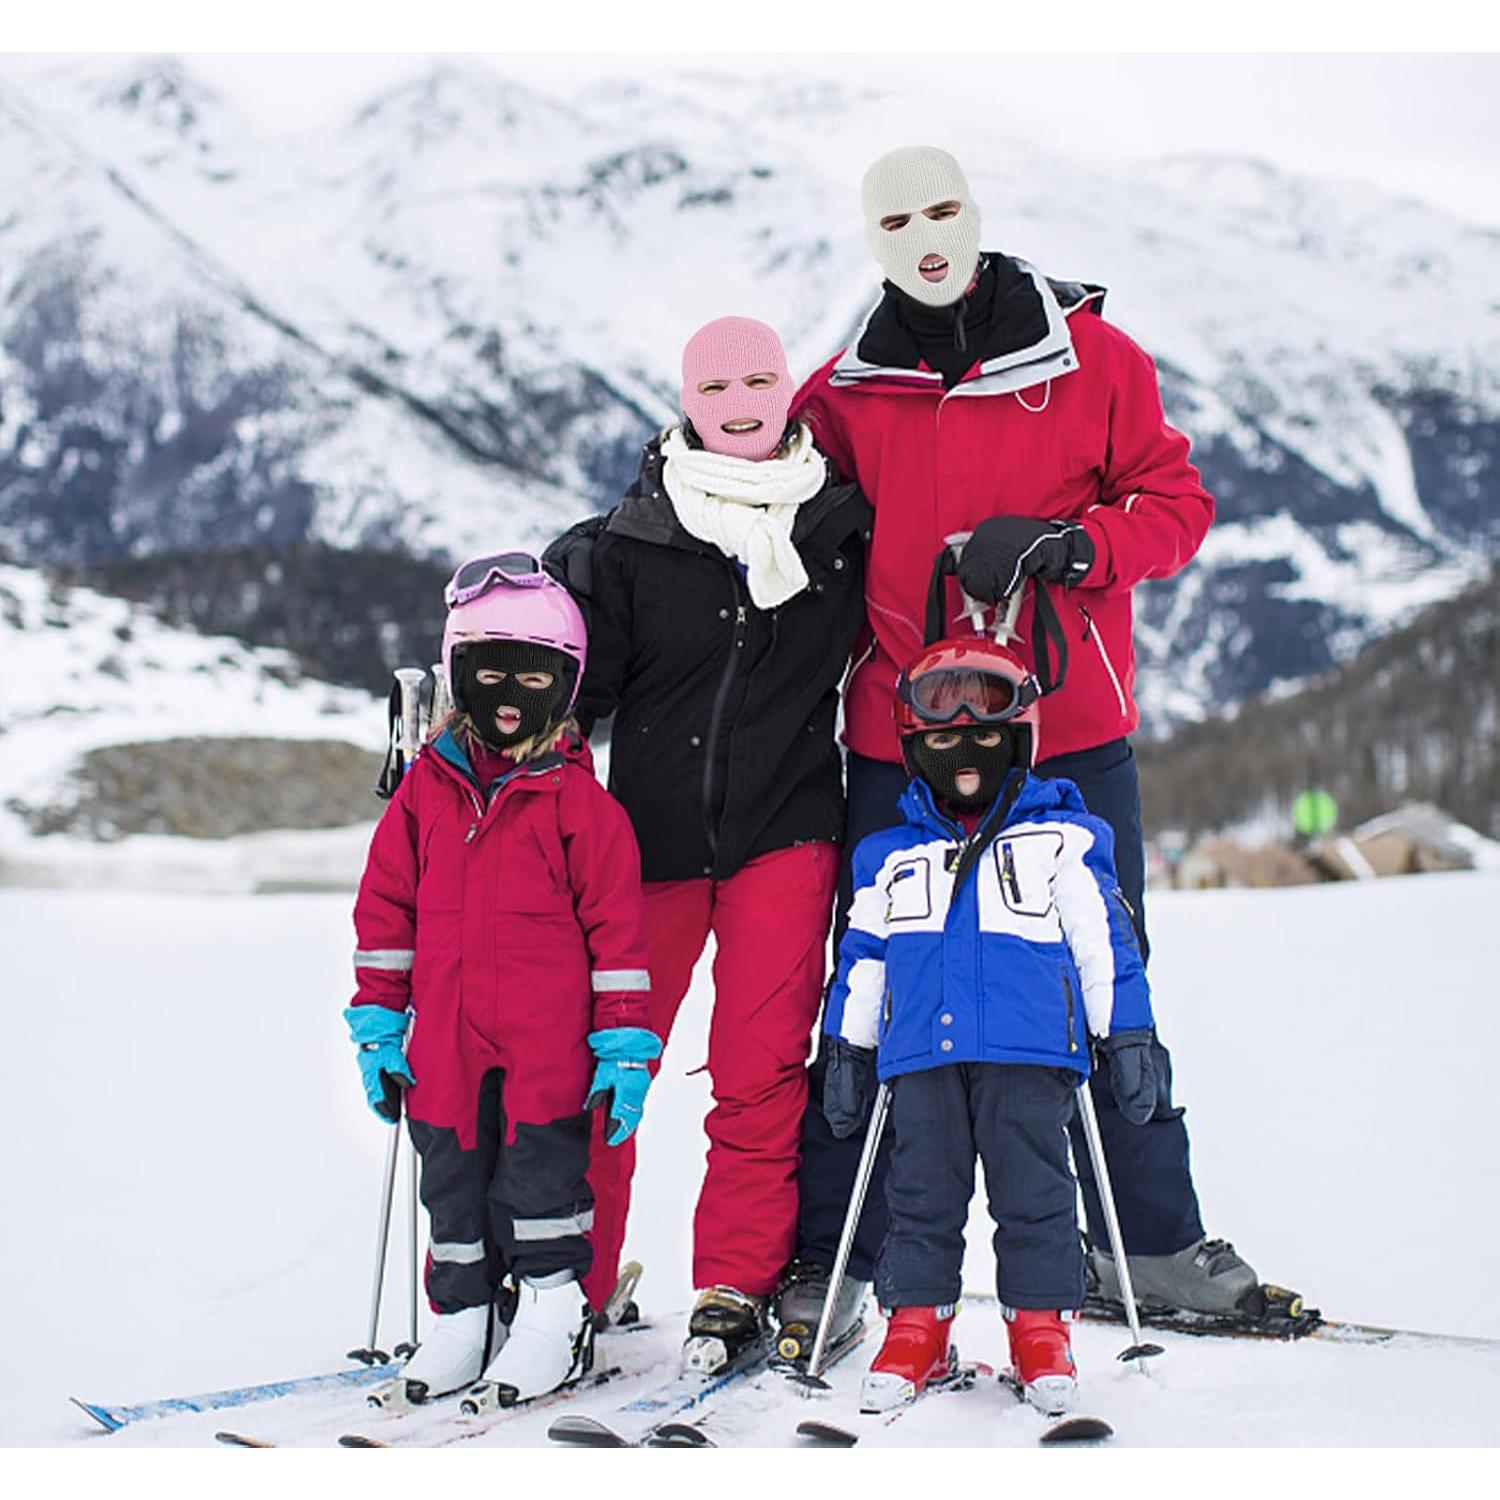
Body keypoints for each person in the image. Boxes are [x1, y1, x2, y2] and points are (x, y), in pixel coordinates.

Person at [778, 143, 1286, 1349]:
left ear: (981, 212)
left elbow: (1177, 507)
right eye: (895, 218)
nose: (926, 235)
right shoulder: (837, 394)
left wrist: (1073, 545)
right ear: (872, 239)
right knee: (880, 986)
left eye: (944, 207)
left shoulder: (1094, 360)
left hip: (1068, 732)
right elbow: (771, 515)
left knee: (1102, 978)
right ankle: (834, 1254)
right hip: (899, 742)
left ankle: (1147, 1244)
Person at [545, 315, 871, 1373]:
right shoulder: (628, 542)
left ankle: (734, 1281)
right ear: (687, 399)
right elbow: (568, 702)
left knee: (760, 1072)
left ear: (789, 388)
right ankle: (574, 1283)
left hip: (787, 831)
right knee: (610, 1066)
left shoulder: (839, 527)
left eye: (759, 379)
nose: (739, 400)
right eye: (716, 384)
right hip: (649, 843)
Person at [345, 552, 661, 1407]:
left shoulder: (579, 807)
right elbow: (386, 915)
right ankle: (463, 1315)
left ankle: (553, 1313)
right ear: (457, 675)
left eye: (533, 674)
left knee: (540, 1177)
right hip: (443, 1034)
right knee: (449, 1171)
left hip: (546, 1041)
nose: (508, 691)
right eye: (488, 673)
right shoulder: (424, 794)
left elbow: (620, 939)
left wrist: (626, 1043)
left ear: (566, 685)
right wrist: (379, 1024)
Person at [823, 634, 1156, 1416]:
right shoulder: (888, 856)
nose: (963, 750)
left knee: (1036, 1193)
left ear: (1021, 741)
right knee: (919, 1196)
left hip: (1030, 1050)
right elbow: (863, 956)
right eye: (942, 737)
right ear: (913, 746)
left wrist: (1128, 1034)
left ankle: (1040, 1327)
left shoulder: (1065, 840)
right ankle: (917, 1326)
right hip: (919, 1060)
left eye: (984, 734)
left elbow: (1106, 946)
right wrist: (847, 1046)